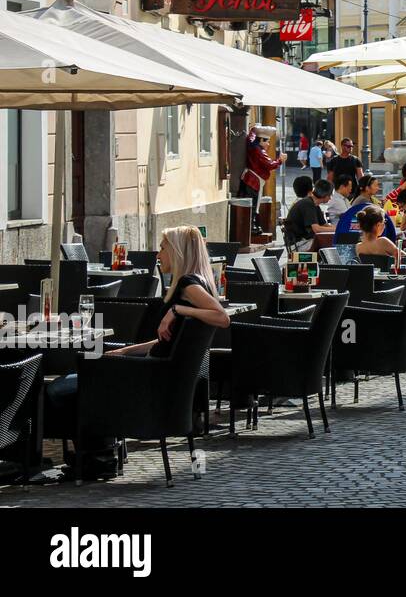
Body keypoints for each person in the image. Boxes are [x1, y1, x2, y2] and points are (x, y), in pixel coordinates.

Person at [45, 226, 232, 478]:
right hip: (153, 377)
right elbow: (161, 344)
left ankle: (93, 457)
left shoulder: (188, 285)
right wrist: (122, 352)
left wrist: (178, 310)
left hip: (146, 384)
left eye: (164, 247)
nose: (159, 253)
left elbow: (222, 317)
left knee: (57, 390)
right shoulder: (195, 284)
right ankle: (97, 455)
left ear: (176, 252)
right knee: (73, 382)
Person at [285, 177, 334, 252]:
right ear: (325, 195)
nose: (330, 198)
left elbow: (324, 225)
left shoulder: (315, 205)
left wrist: (340, 228)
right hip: (298, 244)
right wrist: (337, 230)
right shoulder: (308, 204)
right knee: (331, 245)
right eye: (330, 195)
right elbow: (317, 229)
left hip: (306, 241)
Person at [238, 125, 283, 199]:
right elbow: (270, 165)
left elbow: (250, 138)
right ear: (261, 140)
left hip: (249, 180)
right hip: (254, 182)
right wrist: (280, 160)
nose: (268, 144)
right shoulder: (260, 151)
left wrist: (253, 130)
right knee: (253, 205)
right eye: (267, 142)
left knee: (247, 204)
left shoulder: (252, 144)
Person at [355, 205, 404, 269]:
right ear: (378, 225)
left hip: (370, 278)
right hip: (386, 278)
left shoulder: (358, 247)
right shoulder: (382, 242)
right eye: (384, 222)